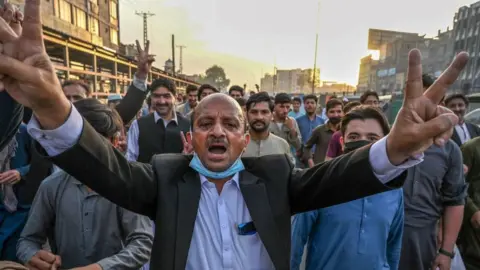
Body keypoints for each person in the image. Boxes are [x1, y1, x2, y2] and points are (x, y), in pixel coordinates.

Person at [0, 1, 467, 269]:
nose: (217, 130)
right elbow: (105, 169)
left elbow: (338, 177)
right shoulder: (163, 181)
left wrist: (397, 147)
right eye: (204, 123)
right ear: (190, 140)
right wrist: (51, 105)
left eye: (230, 124)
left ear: (245, 140)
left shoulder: (277, 177)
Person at [17, 99, 153, 270]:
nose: (87, 152)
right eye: (80, 144)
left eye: (95, 144)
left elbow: (142, 244)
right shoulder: (51, 186)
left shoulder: (128, 186)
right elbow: (27, 241)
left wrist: (100, 268)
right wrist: (33, 256)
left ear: (114, 142)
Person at [291, 106, 404, 270]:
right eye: (354, 136)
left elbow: (394, 246)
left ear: (384, 142)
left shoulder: (393, 189)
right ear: (342, 142)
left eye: (372, 137)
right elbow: (295, 245)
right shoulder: (320, 182)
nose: (363, 142)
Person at [242, 92, 294, 164]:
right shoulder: (237, 144)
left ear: (272, 115)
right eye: (254, 112)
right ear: (247, 115)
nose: (259, 117)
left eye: (264, 112)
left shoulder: (282, 145)